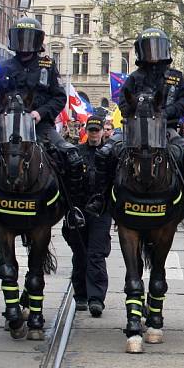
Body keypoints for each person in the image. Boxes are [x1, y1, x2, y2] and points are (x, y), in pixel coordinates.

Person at [0, 17, 86, 231]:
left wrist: (39, 114)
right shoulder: (3, 67)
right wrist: (0, 116)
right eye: (20, 38)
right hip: (8, 129)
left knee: (72, 157)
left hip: (40, 127)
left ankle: (72, 210)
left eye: (29, 38)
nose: (24, 43)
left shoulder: (47, 65)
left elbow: (59, 97)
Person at [84, 27, 184, 221]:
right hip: (134, 129)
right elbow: (122, 101)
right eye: (149, 49)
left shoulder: (176, 76)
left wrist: (165, 113)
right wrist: (134, 112)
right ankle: (100, 198)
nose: (153, 54)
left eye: (157, 48)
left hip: (166, 129)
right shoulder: (134, 77)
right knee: (105, 153)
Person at [62, 115, 112, 316]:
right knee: (80, 253)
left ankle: (96, 299)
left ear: (102, 131)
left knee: (96, 254)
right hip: (80, 209)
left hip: (101, 210)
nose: (94, 134)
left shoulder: (110, 153)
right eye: (90, 131)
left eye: (97, 130)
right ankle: (81, 295)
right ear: (86, 131)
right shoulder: (76, 153)